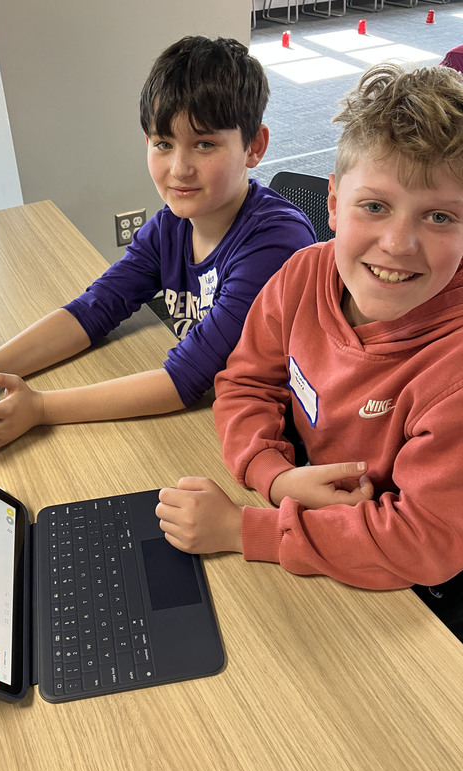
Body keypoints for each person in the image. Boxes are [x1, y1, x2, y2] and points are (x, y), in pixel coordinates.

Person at [156, 62, 463, 633]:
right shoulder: (303, 274)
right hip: (316, 522)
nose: (397, 244)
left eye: (440, 216)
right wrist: (273, 475)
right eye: (374, 206)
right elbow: (246, 381)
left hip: (411, 597)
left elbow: (426, 543)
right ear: (332, 204)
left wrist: (243, 529)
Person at [0, 35, 315, 451]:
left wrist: (40, 409)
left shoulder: (275, 246)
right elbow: (93, 310)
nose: (179, 168)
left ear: (254, 146)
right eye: (163, 144)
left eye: (205, 144)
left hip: (280, 443)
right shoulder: (171, 226)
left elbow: (185, 380)